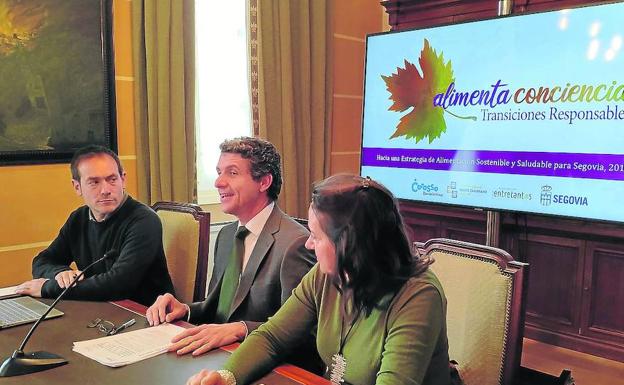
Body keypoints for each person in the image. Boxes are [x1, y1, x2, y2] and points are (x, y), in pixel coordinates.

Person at [186, 174, 452, 385]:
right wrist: (226, 377)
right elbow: (273, 337)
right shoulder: (328, 274)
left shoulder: (418, 296)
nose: (309, 244)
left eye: (317, 235)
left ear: (349, 245)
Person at [146, 137, 316, 357]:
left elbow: (301, 332)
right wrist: (185, 310)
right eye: (219, 172)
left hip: (260, 360)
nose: (218, 182)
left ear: (264, 182)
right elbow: (218, 310)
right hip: (215, 354)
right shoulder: (227, 235)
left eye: (232, 173)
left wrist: (241, 330)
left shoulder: (296, 243)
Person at [15, 145, 174, 306]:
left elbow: (118, 285)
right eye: (94, 182)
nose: (105, 190)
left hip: (147, 316)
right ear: (77, 187)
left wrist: (48, 288)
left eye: (112, 180)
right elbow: (42, 261)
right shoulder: (79, 218)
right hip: (98, 309)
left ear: (123, 179)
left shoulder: (144, 220)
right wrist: (60, 274)